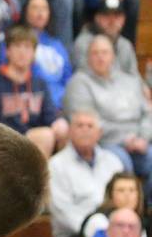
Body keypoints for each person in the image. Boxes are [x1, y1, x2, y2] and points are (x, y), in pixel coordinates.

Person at [0, 26, 67, 158]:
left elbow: (50, 117)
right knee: (45, 136)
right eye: (17, 46)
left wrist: (59, 123)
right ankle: (38, 178)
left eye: (27, 47)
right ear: (7, 51)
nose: (22, 52)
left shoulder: (39, 84)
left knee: (65, 130)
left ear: (34, 54)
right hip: (1, 145)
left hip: (31, 142)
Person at [63, 34, 152, 185]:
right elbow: (87, 124)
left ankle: (146, 205)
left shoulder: (130, 80)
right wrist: (125, 139)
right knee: (121, 163)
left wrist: (143, 138)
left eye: (105, 52)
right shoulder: (78, 83)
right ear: (88, 57)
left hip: (139, 141)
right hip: (104, 143)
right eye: (95, 53)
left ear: (113, 56)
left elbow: (148, 113)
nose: (100, 57)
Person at [49, 111, 124, 237]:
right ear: (70, 131)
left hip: (116, 234)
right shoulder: (56, 165)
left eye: (90, 126)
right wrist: (98, 232)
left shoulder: (113, 161)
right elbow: (62, 212)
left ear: (99, 133)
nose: (85, 130)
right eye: (80, 125)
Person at [21, 0, 72, 111]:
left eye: (44, 8)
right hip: (34, 105)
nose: (40, 13)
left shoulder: (57, 44)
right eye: (35, 8)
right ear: (25, 12)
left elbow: (67, 78)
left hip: (62, 105)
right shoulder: (15, 43)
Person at [72, 0, 142, 79]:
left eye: (117, 16)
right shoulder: (83, 43)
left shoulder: (125, 45)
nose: (112, 21)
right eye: (107, 15)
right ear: (97, 18)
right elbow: (88, 78)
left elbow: (135, 79)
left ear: (123, 19)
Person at [81, 173, 152, 237]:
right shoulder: (98, 220)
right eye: (121, 190)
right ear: (111, 195)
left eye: (132, 190)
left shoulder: (137, 223)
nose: (127, 195)